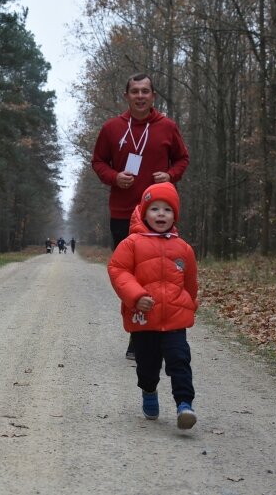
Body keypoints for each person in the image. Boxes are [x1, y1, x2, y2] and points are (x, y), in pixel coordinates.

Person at [92, 73, 190, 360]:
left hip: (158, 214)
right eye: (134, 91)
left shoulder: (167, 127)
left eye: (145, 91)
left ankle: (157, 334)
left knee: (159, 275)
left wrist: (170, 175)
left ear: (153, 96)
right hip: (123, 212)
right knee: (131, 276)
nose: (140, 96)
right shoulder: (112, 128)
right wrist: (113, 176)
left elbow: (182, 158)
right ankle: (138, 336)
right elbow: (98, 161)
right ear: (126, 96)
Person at [107, 182, 198, 430]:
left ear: (175, 215)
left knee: (180, 360)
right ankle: (149, 391)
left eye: (167, 210)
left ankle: (184, 405)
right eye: (155, 208)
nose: (161, 214)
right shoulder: (131, 243)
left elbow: (190, 283)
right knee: (148, 366)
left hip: (175, 319)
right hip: (143, 320)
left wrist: (190, 305)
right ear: (144, 213)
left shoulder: (184, 249)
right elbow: (118, 271)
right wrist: (136, 297)